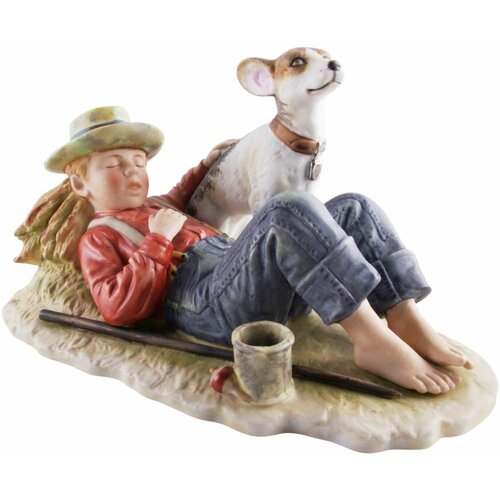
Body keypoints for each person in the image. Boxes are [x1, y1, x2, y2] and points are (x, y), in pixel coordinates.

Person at [45, 106, 472, 395]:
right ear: (80, 183)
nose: (133, 173)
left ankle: (401, 312)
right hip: (206, 305)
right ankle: (369, 339)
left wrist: (205, 166)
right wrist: (157, 243)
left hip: (241, 280)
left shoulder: (155, 207)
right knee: (286, 209)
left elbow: (180, 195)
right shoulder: (98, 238)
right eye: (114, 166)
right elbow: (117, 309)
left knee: (354, 208)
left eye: (138, 163)